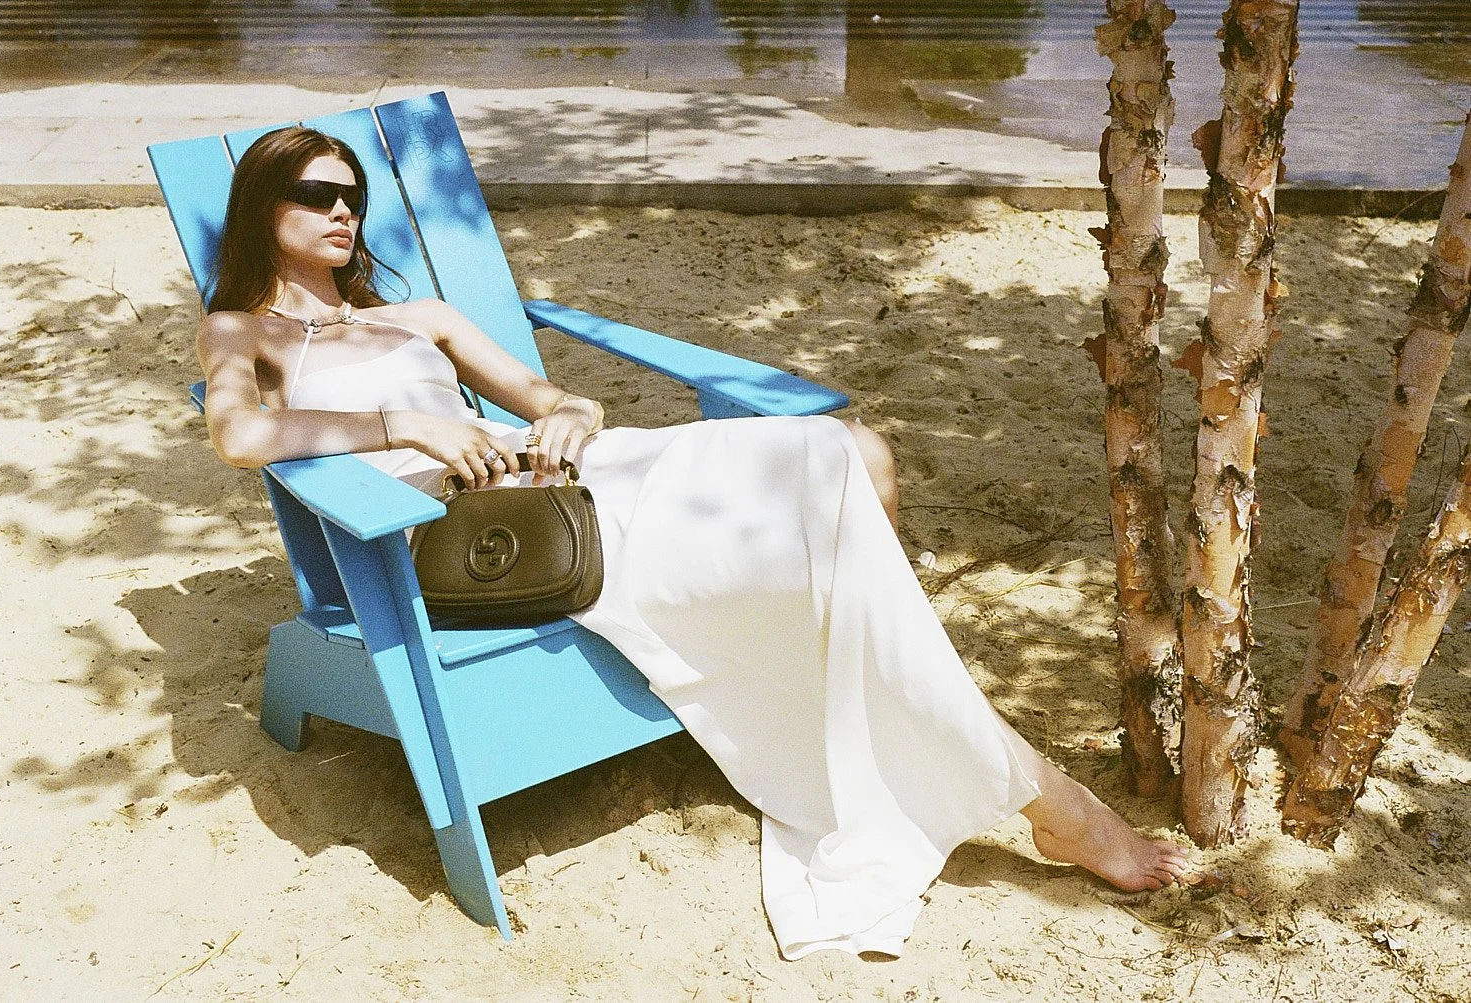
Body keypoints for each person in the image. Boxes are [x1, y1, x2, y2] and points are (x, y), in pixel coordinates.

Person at [197, 127, 1187, 959]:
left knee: (851, 451)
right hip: (472, 536)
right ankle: (1052, 801)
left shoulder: (421, 316)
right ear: (260, 206)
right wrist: (404, 429)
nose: (342, 211)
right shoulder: (243, 333)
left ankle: (915, 718)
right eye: (315, 193)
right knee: (834, 492)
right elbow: (241, 437)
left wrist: (571, 412)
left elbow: (546, 396)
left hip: (570, 475)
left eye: (353, 194)